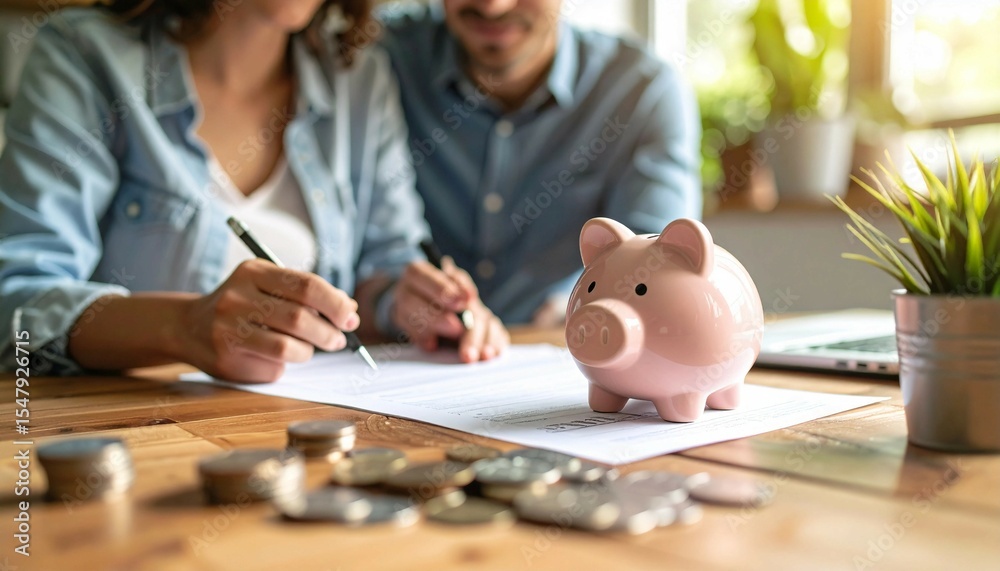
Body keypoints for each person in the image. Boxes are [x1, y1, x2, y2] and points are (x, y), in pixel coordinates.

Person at [0, 0, 508, 383]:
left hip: (304, 430)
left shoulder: (358, 76)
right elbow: (16, 311)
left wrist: (416, 303)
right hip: (135, 436)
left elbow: (385, 264)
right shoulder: (86, 54)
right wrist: (182, 327)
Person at [379, 0, 702, 325]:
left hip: (566, 346)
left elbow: (657, 267)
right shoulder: (378, 59)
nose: (493, 7)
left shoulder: (641, 92)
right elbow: (369, 257)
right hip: (415, 351)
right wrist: (394, 300)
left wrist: (585, 306)